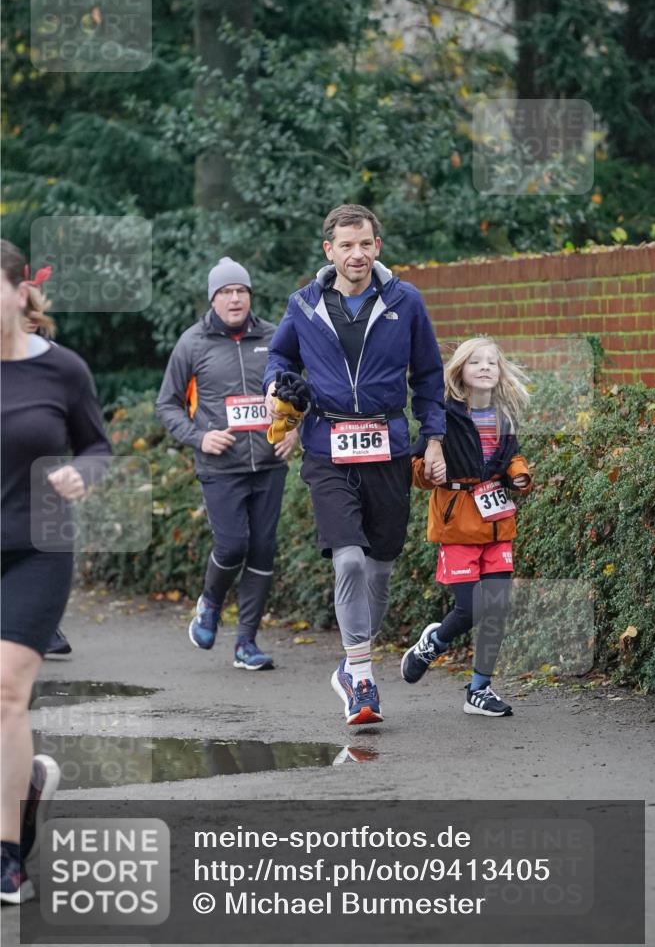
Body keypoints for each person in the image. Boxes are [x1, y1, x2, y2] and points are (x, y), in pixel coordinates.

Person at [264, 204, 445, 726]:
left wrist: (432, 442)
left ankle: (352, 661)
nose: (357, 254)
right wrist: (279, 388)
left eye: (365, 243)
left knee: (379, 569)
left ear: (377, 246)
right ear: (329, 250)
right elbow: (279, 359)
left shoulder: (405, 301)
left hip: (388, 446)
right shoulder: (304, 305)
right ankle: (363, 680)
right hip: (327, 447)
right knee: (347, 561)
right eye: (346, 245)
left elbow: (429, 377)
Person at [1, 239, 111, 902]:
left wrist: (84, 473)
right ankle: (27, 787)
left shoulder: (61, 370)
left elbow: (96, 442)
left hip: (36, 550)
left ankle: (8, 852)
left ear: (19, 292)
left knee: (7, 691)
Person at [156, 257, 298, 670]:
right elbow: (167, 404)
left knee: (263, 550)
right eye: (225, 292)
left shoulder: (276, 337)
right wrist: (199, 436)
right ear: (213, 299)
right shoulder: (193, 343)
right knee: (234, 543)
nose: (235, 298)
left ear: (250, 295)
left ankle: (246, 644)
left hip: (270, 463)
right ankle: (210, 604)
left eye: (241, 291)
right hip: (221, 466)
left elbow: (301, 392)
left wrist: (294, 431)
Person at [402, 336, 532, 716]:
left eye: (492, 362)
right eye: (476, 362)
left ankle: (479, 690)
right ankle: (433, 644)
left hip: (497, 524)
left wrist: (520, 474)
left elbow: (512, 455)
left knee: (498, 607)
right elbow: (416, 468)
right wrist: (429, 470)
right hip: (457, 523)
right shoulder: (440, 414)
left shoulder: (505, 415)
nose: (486, 367)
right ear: (459, 370)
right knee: (470, 607)